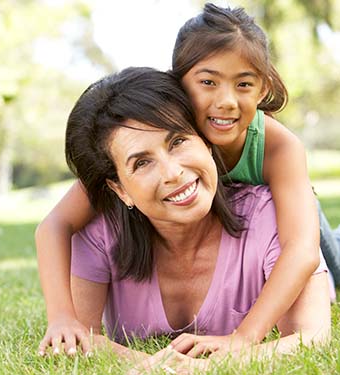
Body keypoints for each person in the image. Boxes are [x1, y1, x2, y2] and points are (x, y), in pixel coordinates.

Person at [36, 3, 338, 357]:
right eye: (208, 82)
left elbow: (301, 250)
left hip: (300, 230)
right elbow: (55, 223)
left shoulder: (278, 146)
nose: (225, 102)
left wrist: (245, 337)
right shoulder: (155, 124)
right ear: (178, 83)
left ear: (262, 88)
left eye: (243, 84)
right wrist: (60, 316)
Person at [65, 67, 330, 373]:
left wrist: (210, 366)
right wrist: (156, 365)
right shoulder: (98, 234)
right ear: (120, 189)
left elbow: (311, 335)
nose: (173, 172)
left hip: (314, 247)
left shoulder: (273, 218)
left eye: (177, 141)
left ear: (205, 141)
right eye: (142, 162)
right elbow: (79, 336)